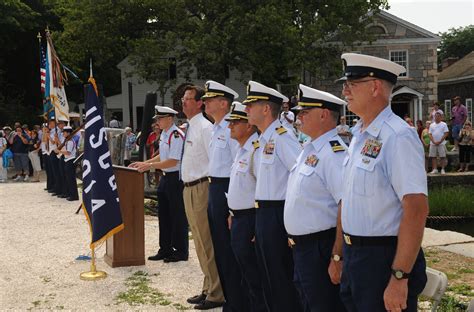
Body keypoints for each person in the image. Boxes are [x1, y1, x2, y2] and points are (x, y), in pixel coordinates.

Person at [337, 53, 428, 311]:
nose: (345, 91)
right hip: (356, 257)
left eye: (351, 84)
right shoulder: (359, 135)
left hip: (383, 259)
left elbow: (416, 208)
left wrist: (399, 277)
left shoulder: (398, 136)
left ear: (375, 87)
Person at [285, 84, 348, 312]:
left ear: (323, 114)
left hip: (321, 247)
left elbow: (345, 205)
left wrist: (338, 256)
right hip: (302, 247)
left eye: (304, 112)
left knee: (323, 305)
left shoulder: (333, 153)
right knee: (307, 303)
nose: (299, 117)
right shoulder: (309, 148)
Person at [243, 80, 303, 312]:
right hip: (264, 212)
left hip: (278, 212)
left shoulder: (282, 136)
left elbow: (298, 175)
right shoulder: (262, 139)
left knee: (280, 277)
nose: (246, 109)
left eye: (251, 105)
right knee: (267, 275)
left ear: (266, 109)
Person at [201, 80, 246, 311]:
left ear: (223, 103)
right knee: (219, 247)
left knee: (229, 250)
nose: (205, 102)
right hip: (215, 187)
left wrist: (231, 204)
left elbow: (237, 166)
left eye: (210, 99)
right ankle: (230, 299)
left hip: (227, 188)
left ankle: (237, 302)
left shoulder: (230, 128)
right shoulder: (216, 128)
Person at [180, 85, 225, 310]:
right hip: (188, 188)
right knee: (198, 242)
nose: (183, 102)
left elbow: (213, 163)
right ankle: (208, 286)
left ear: (199, 103)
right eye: (183, 98)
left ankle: (216, 293)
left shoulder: (206, 128)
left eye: (188, 99)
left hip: (201, 187)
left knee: (206, 241)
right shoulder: (191, 126)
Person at [131, 106, 189, 263]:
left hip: (175, 178)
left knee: (177, 215)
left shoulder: (176, 135)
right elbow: (162, 156)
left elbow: (173, 160)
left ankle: (180, 250)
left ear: (170, 119)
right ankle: (165, 248)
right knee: (163, 215)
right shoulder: (165, 133)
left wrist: (149, 167)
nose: (157, 122)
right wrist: (145, 163)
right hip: (165, 177)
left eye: (160, 119)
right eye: (157, 119)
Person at [226, 102, 266, 312]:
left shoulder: (256, 150)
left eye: (235, 122)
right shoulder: (241, 150)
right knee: (243, 272)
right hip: (239, 218)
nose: (230, 126)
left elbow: (262, 190)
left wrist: (256, 224)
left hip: (250, 219)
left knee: (253, 275)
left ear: (249, 126)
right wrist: (233, 212)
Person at [56, 126, 79, 201]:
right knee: (68, 179)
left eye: (64, 132)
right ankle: (70, 194)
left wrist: (59, 151)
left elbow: (68, 152)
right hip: (67, 160)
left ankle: (74, 196)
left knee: (71, 179)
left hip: (70, 160)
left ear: (68, 133)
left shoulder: (70, 141)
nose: (63, 133)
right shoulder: (67, 141)